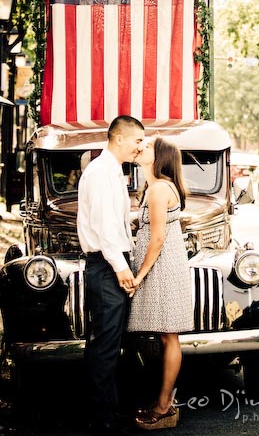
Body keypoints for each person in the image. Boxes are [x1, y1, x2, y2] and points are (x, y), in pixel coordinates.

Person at [77, 115, 145, 435]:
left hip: (111, 263)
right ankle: (100, 417)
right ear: (119, 139)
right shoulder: (101, 172)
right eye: (137, 141)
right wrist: (121, 269)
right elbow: (105, 230)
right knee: (104, 344)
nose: (139, 148)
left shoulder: (113, 171)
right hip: (106, 267)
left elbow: (116, 224)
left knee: (112, 342)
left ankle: (108, 409)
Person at [127, 137, 193, 430]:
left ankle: (164, 406)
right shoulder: (157, 188)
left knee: (168, 336)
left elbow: (157, 238)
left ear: (161, 157)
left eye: (149, 147)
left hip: (162, 269)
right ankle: (164, 401)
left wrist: (138, 277)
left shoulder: (158, 190)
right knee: (167, 335)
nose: (142, 148)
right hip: (165, 267)